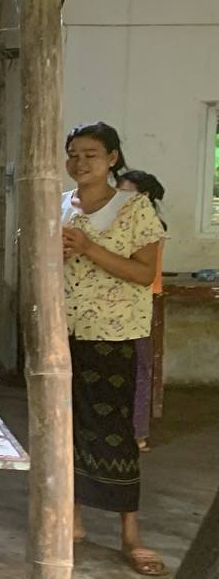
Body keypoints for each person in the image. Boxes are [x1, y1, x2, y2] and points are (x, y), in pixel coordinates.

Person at [62, 125, 166, 576]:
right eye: (73, 154)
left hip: (115, 335)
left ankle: (130, 534)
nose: (80, 162)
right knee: (66, 431)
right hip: (63, 336)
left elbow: (144, 274)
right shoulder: (61, 205)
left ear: (112, 158)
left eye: (90, 154)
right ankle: (73, 522)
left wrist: (88, 247)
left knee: (116, 433)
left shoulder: (135, 208)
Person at [116, 170, 167, 452]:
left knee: (139, 369)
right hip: (123, 302)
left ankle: (138, 433)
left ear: (144, 196)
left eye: (127, 194)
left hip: (142, 302)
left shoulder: (149, 227)